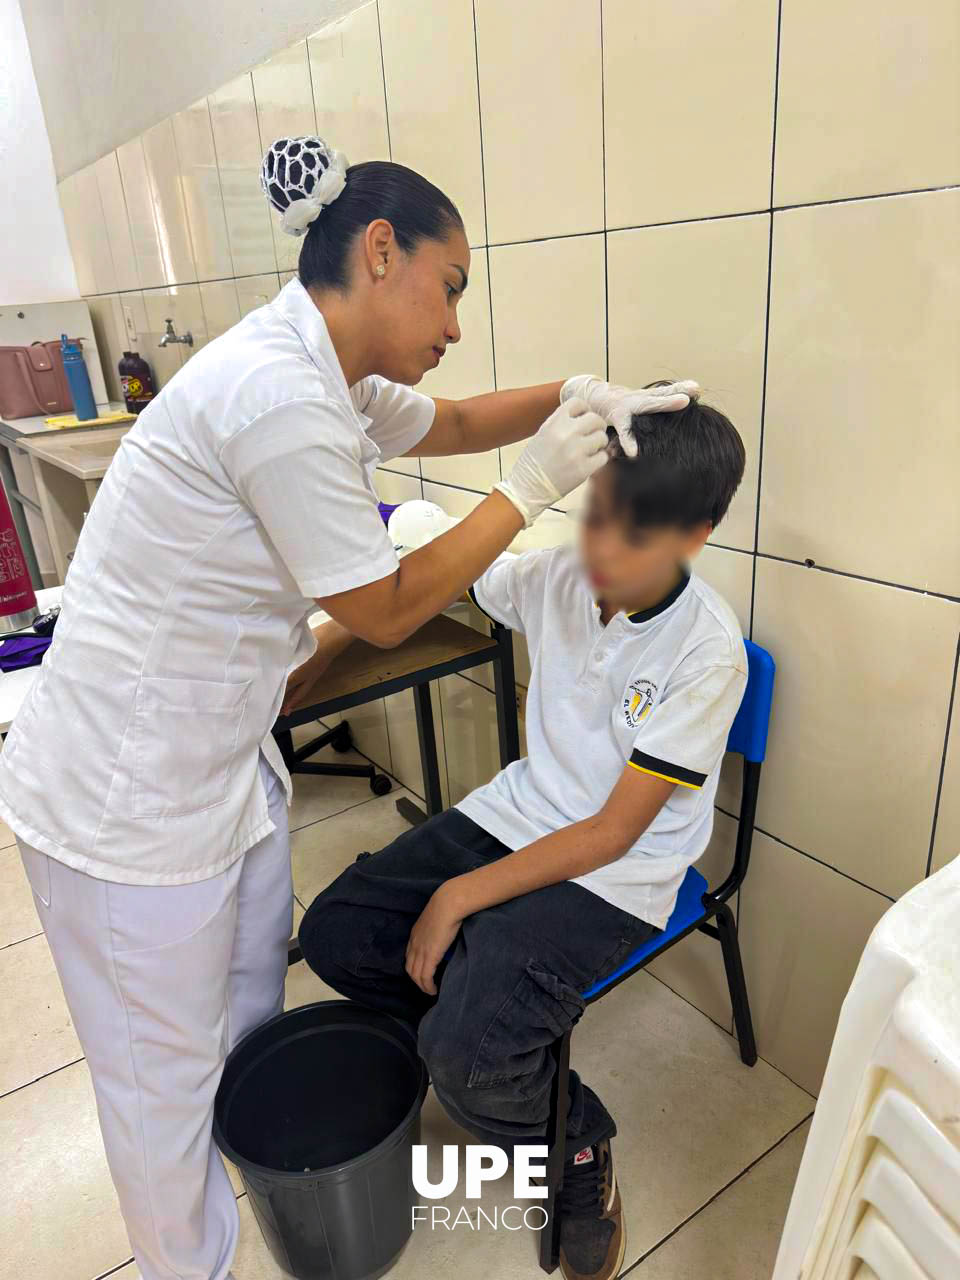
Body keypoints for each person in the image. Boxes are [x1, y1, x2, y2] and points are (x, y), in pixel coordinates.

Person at [0, 134, 696, 1280]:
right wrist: (528, 491)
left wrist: (575, 395)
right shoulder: (276, 392)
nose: (458, 321)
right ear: (382, 251)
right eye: (453, 284)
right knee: (155, 1088)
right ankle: (192, 1258)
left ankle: (268, 1165)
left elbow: (459, 420)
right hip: (128, 797)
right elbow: (380, 608)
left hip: (219, 764)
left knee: (241, 1019)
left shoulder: (318, 369)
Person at [298, 396, 748, 1280]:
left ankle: (578, 1146)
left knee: (466, 1059)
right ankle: (471, 1032)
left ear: (695, 534)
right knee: (336, 934)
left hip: (620, 871)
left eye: (635, 533)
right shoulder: (555, 576)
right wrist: (325, 635)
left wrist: (457, 896)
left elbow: (616, 831)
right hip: (519, 812)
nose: (601, 551)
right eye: (595, 515)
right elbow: (442, 581)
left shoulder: (707, 654)